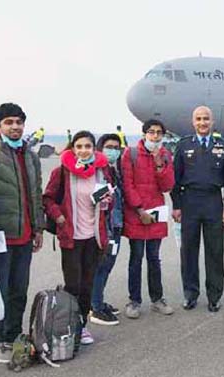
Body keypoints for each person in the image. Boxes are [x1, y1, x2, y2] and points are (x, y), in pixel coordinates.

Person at [0, 103, 44, 364]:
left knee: (19, 289)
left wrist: (38, 227)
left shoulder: (30, 156)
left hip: (25, 235)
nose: (15, 126)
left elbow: (36, 194)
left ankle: (12, 335)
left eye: (19, 122)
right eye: (9, 122)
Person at [43, 130, 113, 345]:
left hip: (94, 237)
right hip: (71, 237)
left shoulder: (102, 172)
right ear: (73, 149)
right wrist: (60, 217)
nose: (84, 150)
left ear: (94, 149)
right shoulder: (62, 172)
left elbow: (109, 200)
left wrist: (107, 203)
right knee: (73, 285)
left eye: (88, 146)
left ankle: (81, 327)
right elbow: (47, 199)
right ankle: (68, 324)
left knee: (87, 286)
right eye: (79, 146)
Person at [171, 106, 224, 312]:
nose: (202, 123)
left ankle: (214, 296)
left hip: (213, 202)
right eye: (198, 119)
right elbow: (175, 179)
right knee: (188, 251)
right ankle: (190, 294)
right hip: (189, 202)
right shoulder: (183, 145)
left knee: (215, 251)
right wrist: (177, 206)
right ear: (193, 122)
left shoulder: (223, 146)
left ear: (212, 121)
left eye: (206, 119)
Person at [122, 119, 176, 318]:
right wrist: (139, 210)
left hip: (156, 213)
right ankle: (134, 301)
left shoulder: (165, 155)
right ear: (144, 133)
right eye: (151, 132)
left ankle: (157, 299)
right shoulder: (131, 154)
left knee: (154, 258)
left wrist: (159, 165)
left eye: (159, 133)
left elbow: (167, 186)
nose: (155, 136)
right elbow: (127, 184)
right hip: (137, 213)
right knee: (136, 258)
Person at [88, 134, 125, 326]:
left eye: (116, 147)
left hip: (115, 224)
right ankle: (94, 307)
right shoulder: (96, 170)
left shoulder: (112, 170)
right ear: (100, 149)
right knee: (101, 266)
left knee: (108, 265)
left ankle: (98, 300)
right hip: (104, 227)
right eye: (109, 147)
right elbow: (92, 196)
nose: (113, 151)